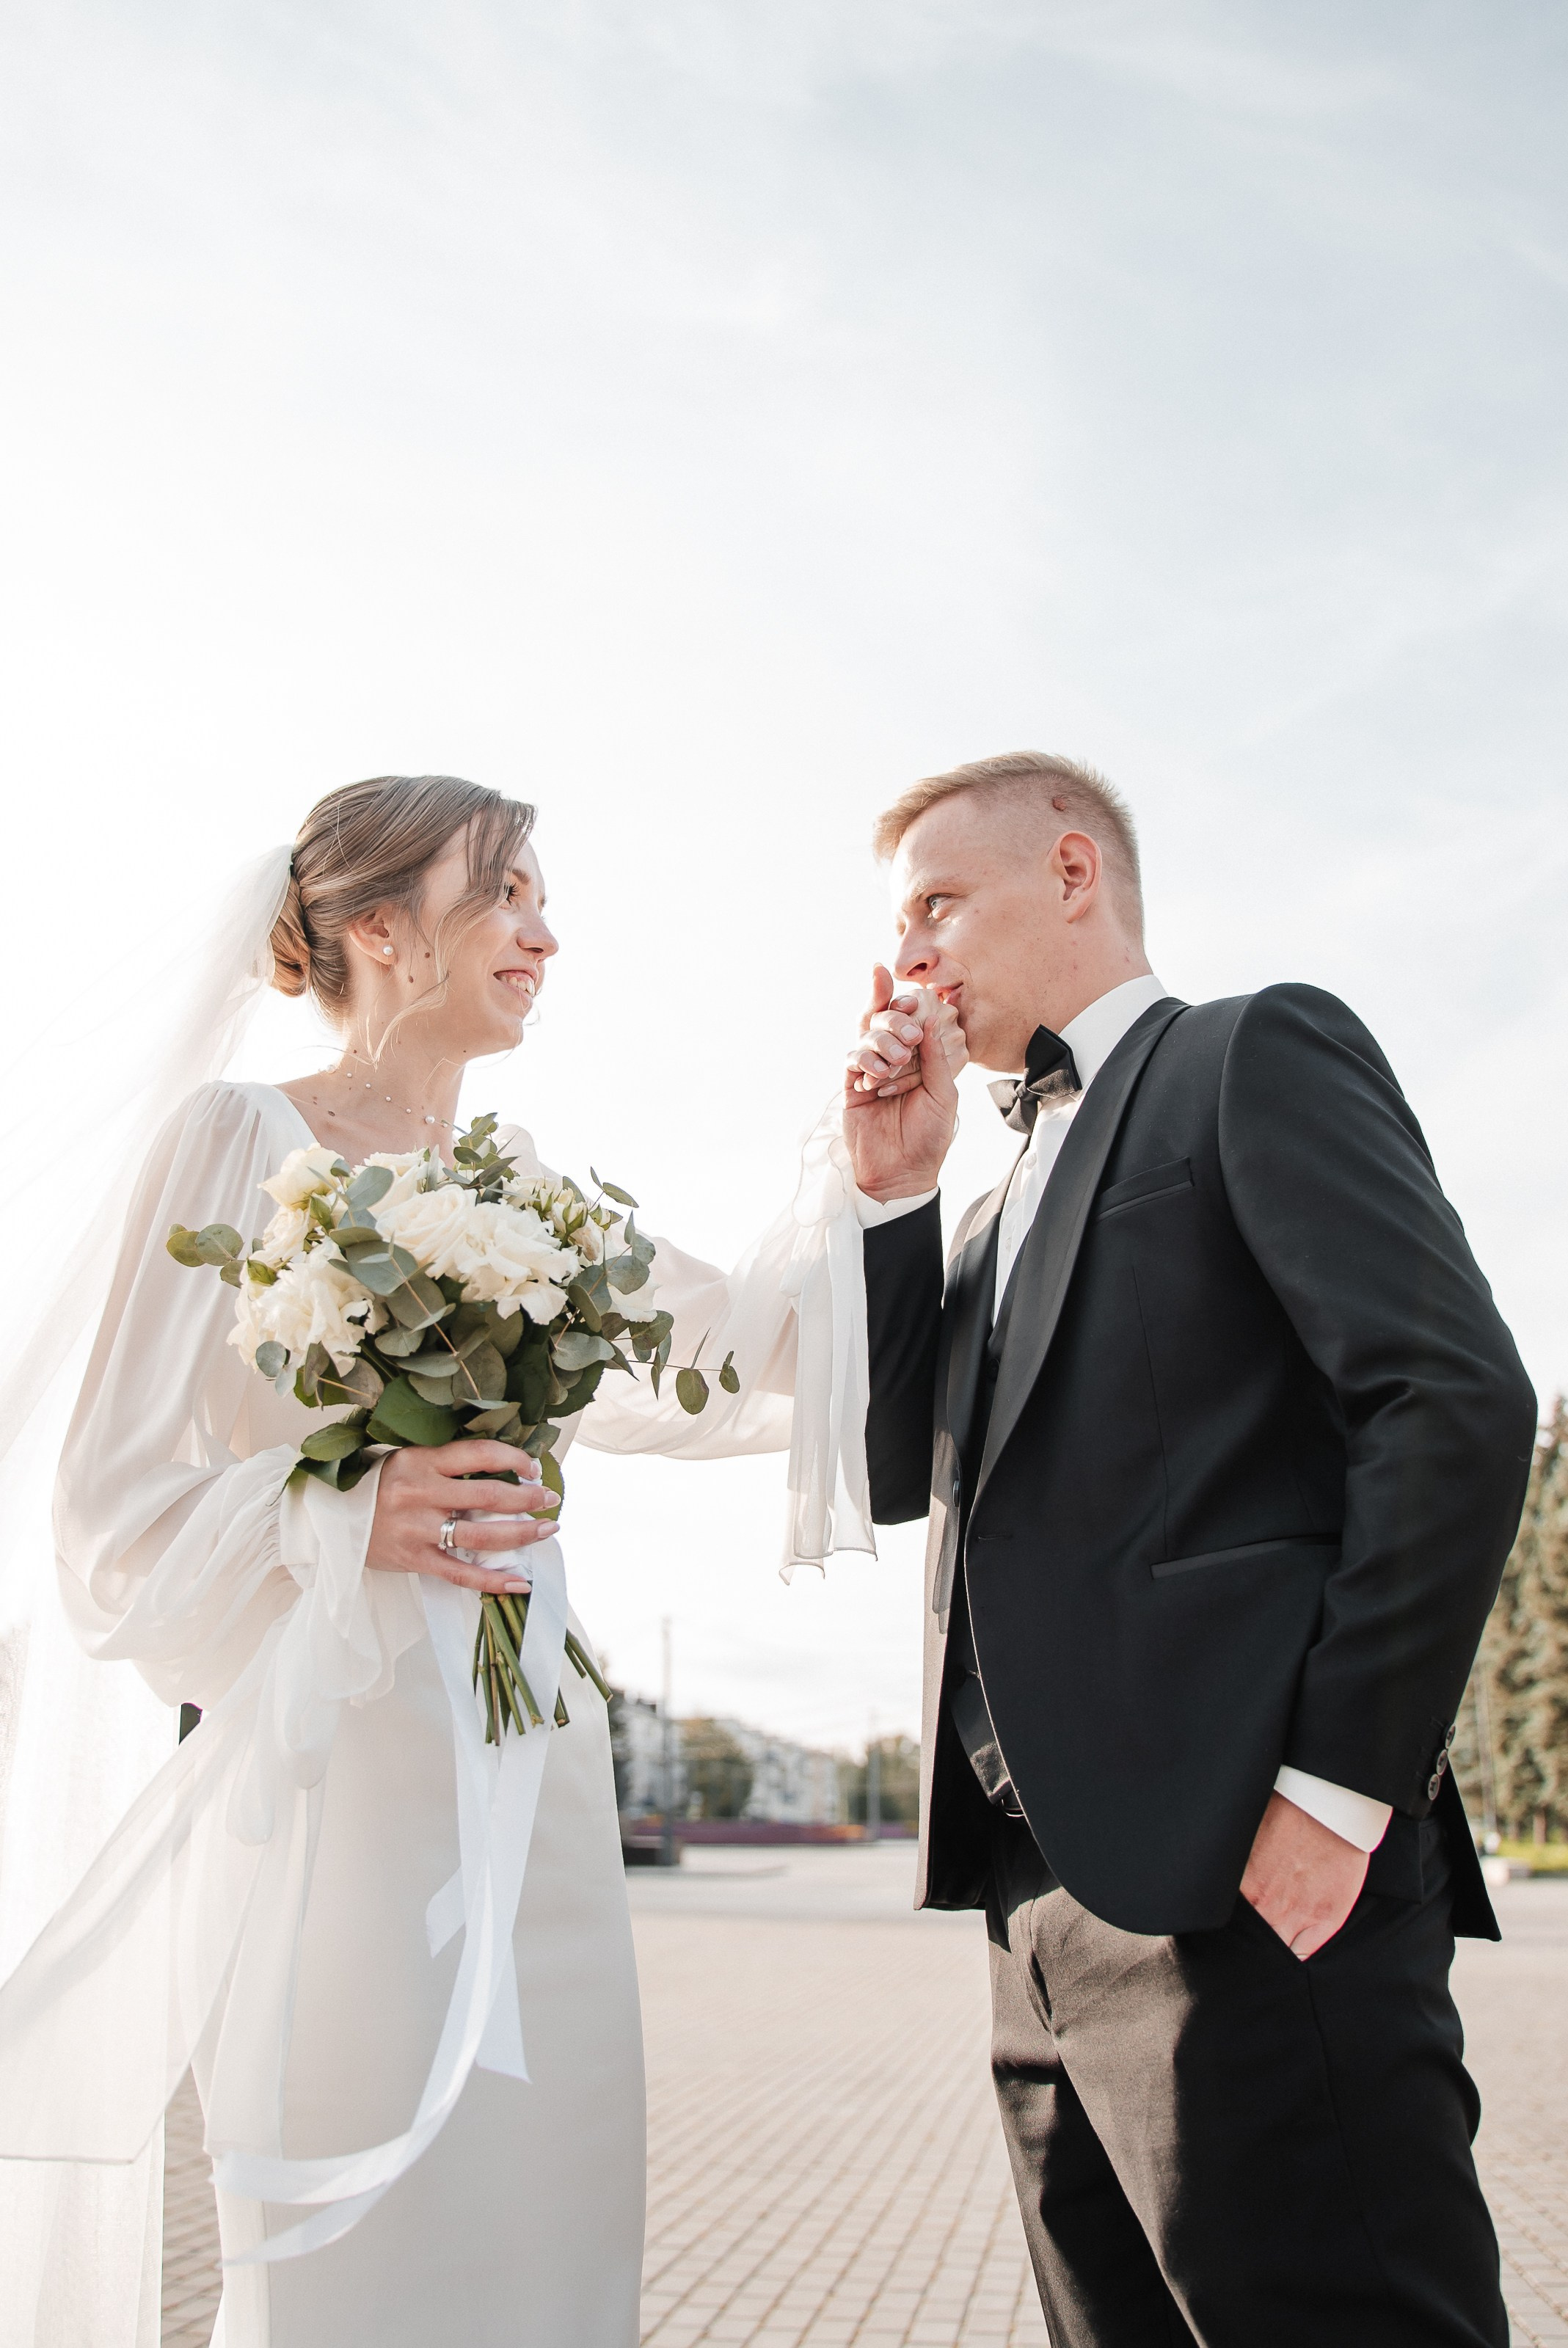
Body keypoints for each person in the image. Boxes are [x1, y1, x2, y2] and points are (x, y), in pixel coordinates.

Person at [0, 773, 915, 2348]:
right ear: (377, 930)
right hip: (340, 1793)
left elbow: (758, 1351)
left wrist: (870, 1170)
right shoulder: (234, 1144)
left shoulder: (531, 1200)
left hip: (533, 1765)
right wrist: (346, 1509)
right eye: (505, 894)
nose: (544, 935)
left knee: (551, 2224)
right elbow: (110, 1521)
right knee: (358, 2242)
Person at [842, 749, 1538, 2347]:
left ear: (1074, 872)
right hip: (1033, 1930)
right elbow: (903, 1475)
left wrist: (1333, 1791)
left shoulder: (1247, 1054)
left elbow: (1449, 1398)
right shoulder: (985, 1195)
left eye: (938, 903)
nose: (911, 958)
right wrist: (893, 1194)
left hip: (1254, 1894)